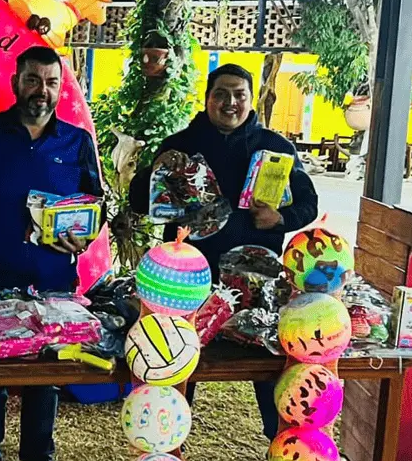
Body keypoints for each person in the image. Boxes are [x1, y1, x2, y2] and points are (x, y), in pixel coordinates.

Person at [130, 63, 319, 440]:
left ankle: (281, 442)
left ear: (252, 100)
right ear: (207, 99)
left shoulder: (276, 149)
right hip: (185, 282)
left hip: (256, 279)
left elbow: (309, 204)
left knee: (268, 365)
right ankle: (167, 441)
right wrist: (157, 176)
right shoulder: (180, 145)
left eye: (239, 94)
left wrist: (280, 217)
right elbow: (140, 200)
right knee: (177, 360)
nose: (230, 102)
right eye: (221, 94)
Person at [0, 46, 103, 461]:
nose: (41, 91)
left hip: (53, 283)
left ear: (60, 88)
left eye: (50, 82)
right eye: (32, 80)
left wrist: (82, 236)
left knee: (45, 380)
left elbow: (95, 206)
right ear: (15, 82)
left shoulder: (76, 142)